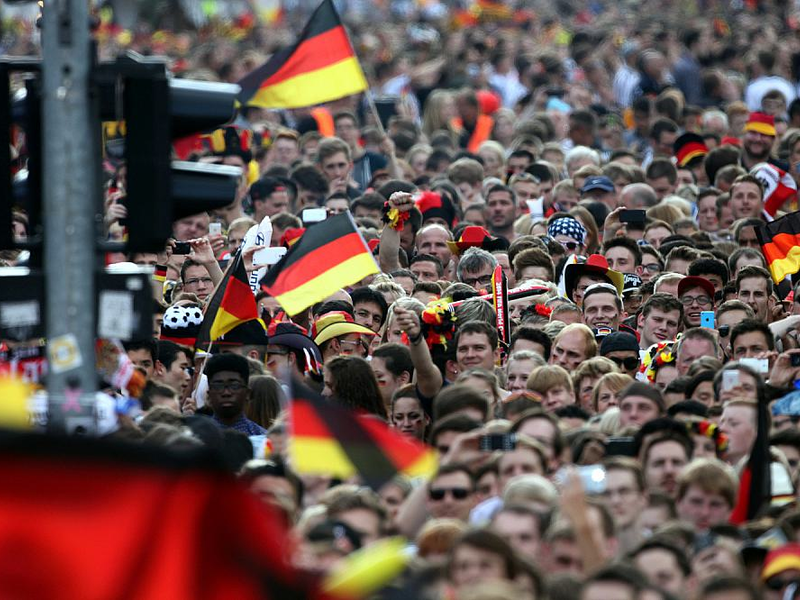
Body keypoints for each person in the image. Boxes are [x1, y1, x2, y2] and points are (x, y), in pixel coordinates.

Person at [204, 353, 266, 435]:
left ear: (247, 393)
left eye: (234, 386)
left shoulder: (262, 437)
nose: (226, 393)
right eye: (218, 386)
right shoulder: (196, 437)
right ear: (209, 394)